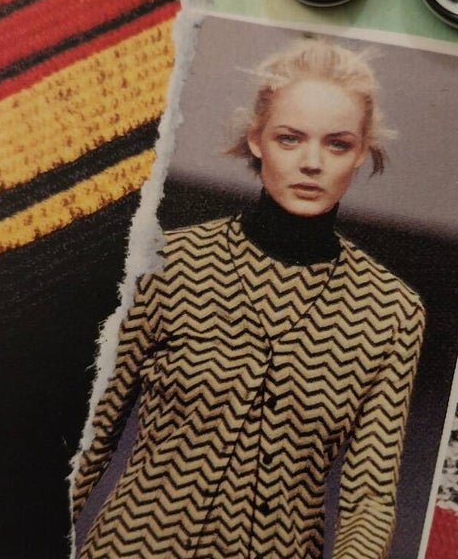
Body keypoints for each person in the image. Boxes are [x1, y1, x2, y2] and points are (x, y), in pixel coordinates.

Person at [71, 37, 426, 559]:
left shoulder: (390, 312)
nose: (311, 162)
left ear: (361, 153)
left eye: (337, 144)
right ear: (256, 139)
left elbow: (369, 499)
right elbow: (89, 438)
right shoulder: (168, 263)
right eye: (289, 139)